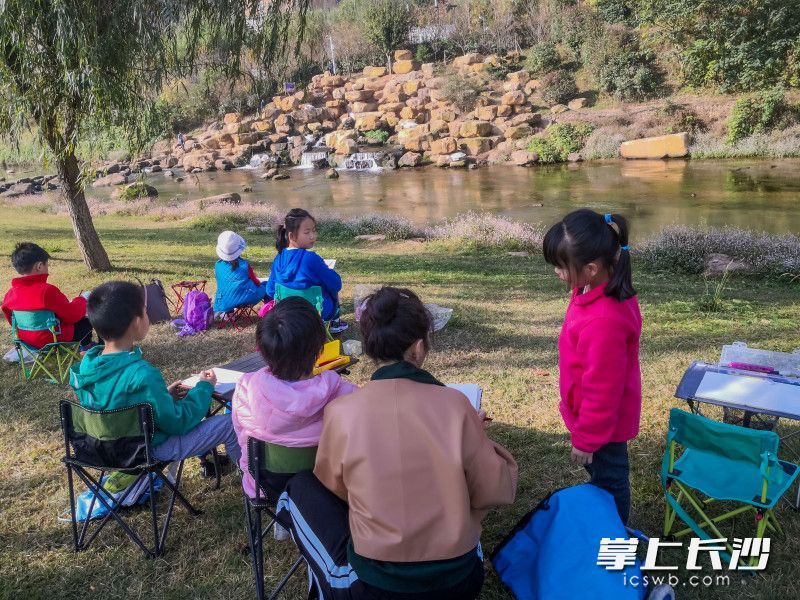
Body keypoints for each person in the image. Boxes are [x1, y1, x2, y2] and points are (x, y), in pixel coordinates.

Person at [279, 287, 518, 599]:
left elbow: (335, 489)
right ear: (418, 347)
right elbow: (495, 489)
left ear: (369, 347)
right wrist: (477, 435)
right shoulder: (457, 406)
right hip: (458, 582)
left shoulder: (341, 413)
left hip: (374, 585)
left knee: (299, 487)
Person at [69, 281, 240, 466]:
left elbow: (119, 407)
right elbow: (178, 422)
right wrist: (204, 388)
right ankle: (253, 484)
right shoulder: (142, 374)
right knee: (229, 424)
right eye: (145, 311)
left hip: (102, 451)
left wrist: (163, 396)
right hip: (147, 451)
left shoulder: (86, 368)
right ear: (136, 322)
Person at [542, 209, 641, 525]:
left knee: (610, 481)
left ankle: (614, 533)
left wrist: (587, 439)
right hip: (591, 417)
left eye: (561, 267)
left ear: (591, 268)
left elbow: (603, 390)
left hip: (603, 428)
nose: (557, 272)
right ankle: (602, 519)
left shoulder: (604, 320)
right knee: (602, 477)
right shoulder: (591, 287)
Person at [231, 297, 356, 501]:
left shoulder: (245, 388)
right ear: (319, 349)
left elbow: (241, 438)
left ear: (262, 350)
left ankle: (286, 511)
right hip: (327, 490)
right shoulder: (347, 395)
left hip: (264, 487)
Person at [265, 208, 347, 333]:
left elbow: (270, 290)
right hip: (315, 313)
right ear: (292, 236)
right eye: (307, 232)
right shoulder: (311, 259)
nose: (312, 236)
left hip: (288, 314)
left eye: (314, 230)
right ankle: (334, 324)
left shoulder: (279, 258)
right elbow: (336, 284)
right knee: (331, 289)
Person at [2, 242, 94, 349]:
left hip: (26, 342)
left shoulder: (10, 294)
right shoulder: (47, 291)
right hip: (53, 340)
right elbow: (72, 315)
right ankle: (87, 346)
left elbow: (13, 321)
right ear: (40, 266)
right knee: (88, 319)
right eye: (47, 265)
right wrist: (82, 299)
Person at [213, 230, 269, 314]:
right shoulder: (244, 265)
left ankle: (229, 313)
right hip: (246, 298)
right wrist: (260, 284)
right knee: (266, 285)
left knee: (229, 290)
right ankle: (269, 310)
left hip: (224, 300)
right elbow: (256, 282)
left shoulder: (218, 265)